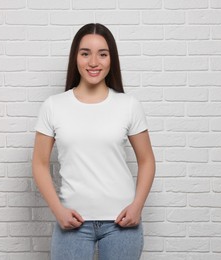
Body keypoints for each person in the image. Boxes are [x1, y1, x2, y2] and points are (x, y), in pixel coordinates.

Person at [32, 23, 155, 260]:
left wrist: (137, 206)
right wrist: (58, 210)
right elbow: (39, 163)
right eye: (85, 53)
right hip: (72, 222)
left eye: (103, 54)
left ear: (112, 59)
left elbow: (147, 160)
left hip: (122, 222)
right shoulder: (53, 106)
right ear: (75, 57)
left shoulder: (128, 105)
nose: (93, 62)